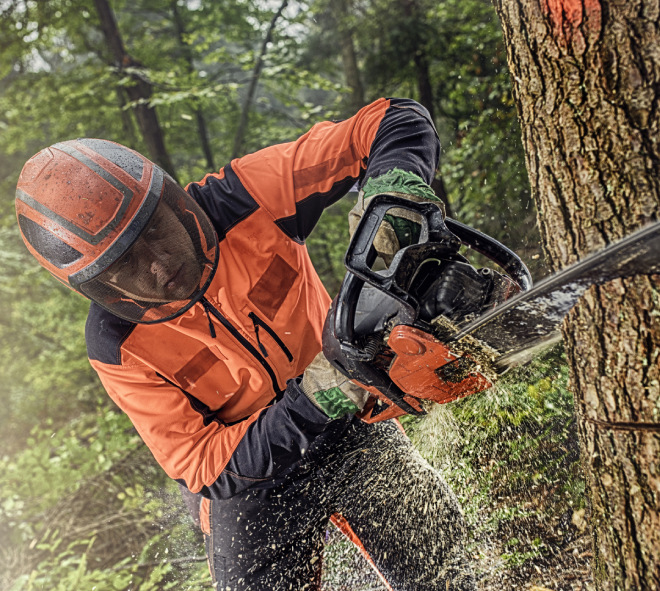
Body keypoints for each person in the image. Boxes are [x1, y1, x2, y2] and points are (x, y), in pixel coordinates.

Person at [15, 98, 476, 590]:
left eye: (155, 233)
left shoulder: (242, 198)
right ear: (101, 286)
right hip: (252, 484)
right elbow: (203, 463)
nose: (158, 264)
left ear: (173, 203)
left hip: (352, 422)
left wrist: (393, 197)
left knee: (447, 569)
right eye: (127, 265)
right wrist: (318, 393)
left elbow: (391, 120)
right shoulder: (116, 343)